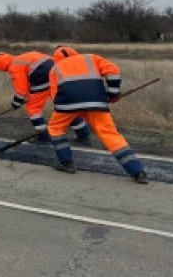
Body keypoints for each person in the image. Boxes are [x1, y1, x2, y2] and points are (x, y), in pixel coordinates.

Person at [48, 46, 147, 184]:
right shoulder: (91, 58)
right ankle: (137, 171)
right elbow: (114, 70)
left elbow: (54, 96)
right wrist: (113, 95)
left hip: (67, 105)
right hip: (96, 103)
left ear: (56, 58)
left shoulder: (55, 69)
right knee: (110, 134)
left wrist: (70, 112)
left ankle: (67, 164)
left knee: (55, 128)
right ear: (73, 52)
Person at [0, 51, 91, 144]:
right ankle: (83, 134)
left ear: (0, 67)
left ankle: (43, 137)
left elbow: (22, 91)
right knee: (64, 105)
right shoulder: (23, 57)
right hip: (57, 72)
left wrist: (16, 104)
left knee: (33, 108)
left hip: (43, 77)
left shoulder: (14, 67)